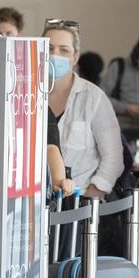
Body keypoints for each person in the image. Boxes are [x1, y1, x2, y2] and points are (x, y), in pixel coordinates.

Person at [45, 20, 123, 198]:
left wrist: (91, 196)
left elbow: (113, 158)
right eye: (49, 49)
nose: (55, 55)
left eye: (64, 50)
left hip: (81, 200)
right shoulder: (27, 96)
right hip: (35, 201)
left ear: (75, 57)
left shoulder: (94, 98)